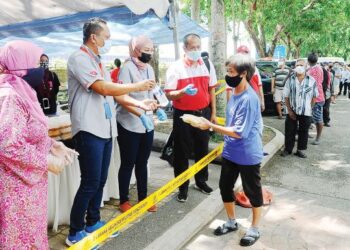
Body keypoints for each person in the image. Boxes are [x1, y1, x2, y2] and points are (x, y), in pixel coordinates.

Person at [66, 18, 156, 246]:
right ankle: (75, 232)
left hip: (105, 129)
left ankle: (93, 222)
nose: (108, 39)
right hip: (88, 128)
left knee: (100, 180)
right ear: (93, 37)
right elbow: (102, 87)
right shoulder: (79, 58)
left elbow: (113, 93)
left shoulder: (98, 61)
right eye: (105, 36)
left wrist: (140, 105)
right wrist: (137, 87)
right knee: (90, 182)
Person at [0, 40, 75, 249]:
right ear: (21, 64)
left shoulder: (22, 89)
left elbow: (27, 131)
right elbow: (8, 146)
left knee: (31, 235)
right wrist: (46, 160)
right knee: (20, 239)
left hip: (28, 187)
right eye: (36, 62)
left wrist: (52, 145)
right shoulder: (10, 96)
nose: (41, 68)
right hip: (16, 189)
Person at [189, 53, 264, 247]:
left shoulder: (249, 98)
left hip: (247, 154)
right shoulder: (234, 92)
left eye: (231, 72)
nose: (227, 75)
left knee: (253, 192)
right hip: (231, 151)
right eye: (227, 71)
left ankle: (255, 228)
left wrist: (210, 126)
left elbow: (239, 132)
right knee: (224, 187)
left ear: (243, 73)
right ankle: (231, 221)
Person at [116, 35, 167, 213]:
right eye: (146, 50)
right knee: (128, 163)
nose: (149, 53)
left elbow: (153, 92)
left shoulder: (149, 69)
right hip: (128, 123)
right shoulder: (127, 68)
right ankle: (123, 200)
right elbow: (122, 98)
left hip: (147, 124)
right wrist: (139, 112)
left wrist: (159, 107)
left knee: (143, 162)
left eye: (152, 50)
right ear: (136, 50)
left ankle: (143, 199)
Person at [165, 33, 217, 202]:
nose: (195, 50)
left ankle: (201, 181)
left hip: (203, 114)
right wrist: (181, 92)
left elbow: (212, 90)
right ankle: (182, 187)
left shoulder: (207, 65)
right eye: (192, 47)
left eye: (198, 47)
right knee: (182, 153)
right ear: (185, 48)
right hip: (183, 116)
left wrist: (214, 113)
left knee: (202, 149)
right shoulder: (175, 68)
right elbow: (169, 95)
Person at [281, 59, 318, 158]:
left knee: (304, 131)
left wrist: (310, 108)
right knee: (289, 130)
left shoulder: (311, 80)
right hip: (292, 110)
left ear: (306, 66)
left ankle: (300, 150)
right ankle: (288, 149)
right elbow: (286, 96)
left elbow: (314, 96)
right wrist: (289, 110)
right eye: (297, 65)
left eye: (301, 65)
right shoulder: (290, 79)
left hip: (306, 111)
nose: (299, 67)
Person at [226, 45, 265, 112]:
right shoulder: (233, 70)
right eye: (242, 54)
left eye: (246, 53)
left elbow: (259, 86)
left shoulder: (255, 69)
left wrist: (262, 102)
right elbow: (229, 90)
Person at [307, 53, 324, 145]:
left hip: (316, 98)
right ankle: (308, 134)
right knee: (310, 117)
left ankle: (318, 138)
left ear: (308, 61)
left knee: (318, 119)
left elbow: (313, 84)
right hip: (317, 97)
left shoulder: (314, 70)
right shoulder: (317, 68)